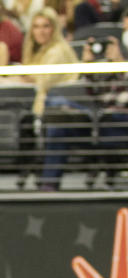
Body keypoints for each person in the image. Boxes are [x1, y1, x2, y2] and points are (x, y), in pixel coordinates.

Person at [39, 34, 128, 191]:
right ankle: (48, 186)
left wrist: (121, 62)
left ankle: (59, 107)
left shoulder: (122, 64)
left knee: (104, 116)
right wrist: (88, 64)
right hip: (98, 122)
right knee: (58, 126)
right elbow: (91, 91)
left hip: (121, 124)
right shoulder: (105, 69)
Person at [18, 7, 77, 116]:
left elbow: (45, 81)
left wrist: (22, 78)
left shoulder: (58, 51)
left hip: (58, 108)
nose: (41, 31)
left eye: (46, 26)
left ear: (54, 28)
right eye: (36, 27)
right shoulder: (39, 50)